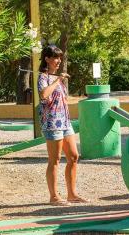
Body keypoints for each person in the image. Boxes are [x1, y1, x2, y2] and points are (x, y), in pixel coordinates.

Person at [38, 45, 88, 206]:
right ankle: (53, 197)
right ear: (47, 59)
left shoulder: (56, 77)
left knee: (73, 156)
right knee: (55, 159)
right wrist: (58, 79)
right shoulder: (43, 77)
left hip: (65, 122)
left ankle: (72, 194)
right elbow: (44, 95)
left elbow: (63, 99)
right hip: (52, 123)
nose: (59, 60)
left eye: (60, 57)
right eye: (55, 57)